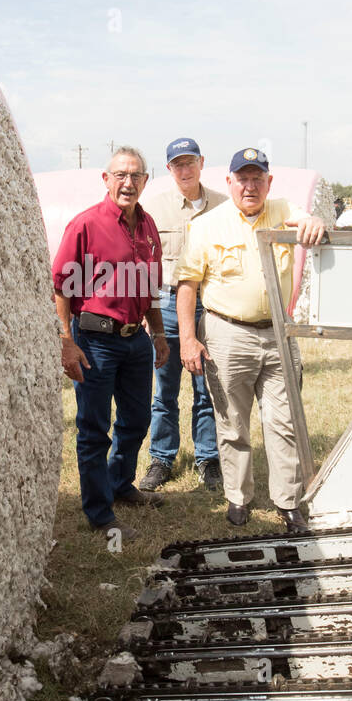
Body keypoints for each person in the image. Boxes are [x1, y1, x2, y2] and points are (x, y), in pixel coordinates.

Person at [175, 148, 326, 533]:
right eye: (242, 178)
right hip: (228, 334)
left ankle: (288, 502)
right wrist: (188, 340)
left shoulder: (281, 210)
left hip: (278, 333)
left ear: (269, 183)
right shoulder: (207, 225)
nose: (250, 186)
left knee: (284, 421)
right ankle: (238, 498)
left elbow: (307, 220)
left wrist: (313, 220)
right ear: (229, 182)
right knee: (232, 421)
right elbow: (188, 285)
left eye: (258, 178)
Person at [53, 148, 170, 541]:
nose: (128, 182)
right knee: (94, 428)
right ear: (106, 179)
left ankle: (120, 484)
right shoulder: (85, 225)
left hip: (135, 340)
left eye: (136, 175)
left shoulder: (148, 226)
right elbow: (60, 289)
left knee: (137, 420)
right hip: (95, 340)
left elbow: (152, 288)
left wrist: (158, 333)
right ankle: (101, 515)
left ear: (145, 181)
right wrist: (67, 343)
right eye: (120, 175)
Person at [137, 138, 227, 493]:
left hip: (213, 306)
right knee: (165, 390)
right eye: (177, 165)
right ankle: (161, 457)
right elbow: (143, 263)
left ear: (202, 163)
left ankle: (208, 458)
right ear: (169, 169)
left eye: (190, 162)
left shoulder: (224, 205)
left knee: (208, 390)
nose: (185, 170)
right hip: (169, 306)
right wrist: (149, 310)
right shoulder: (153, 209)